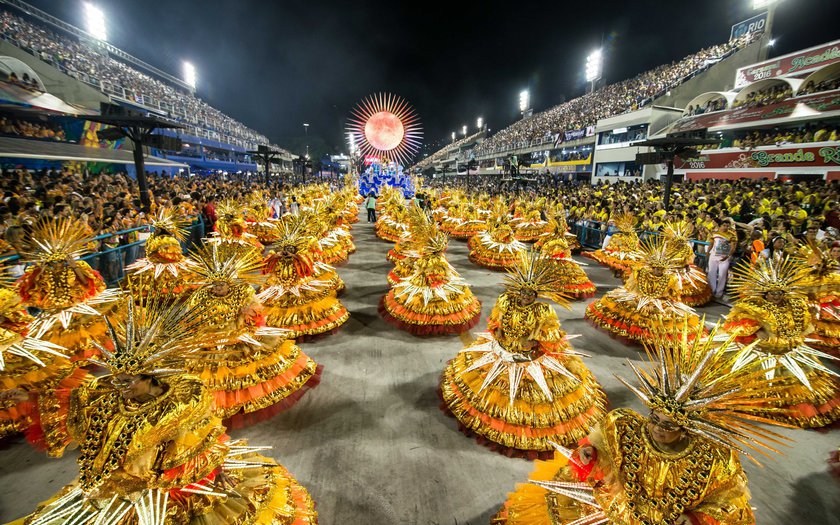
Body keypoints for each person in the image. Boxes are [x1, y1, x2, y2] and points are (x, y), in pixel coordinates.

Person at [12, 297, 318, 525]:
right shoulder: (113, 397)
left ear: (150, 378)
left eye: (128, 381)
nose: (121, 387)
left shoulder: (184, 401)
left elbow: (196, 444)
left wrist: (213, 472)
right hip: (125, 489)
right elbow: (76, 400)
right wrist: (30, 395)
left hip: (178, 487)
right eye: (117, 380)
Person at [493, 323, 790, 525]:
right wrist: (589, 453)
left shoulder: (713, 459)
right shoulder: (624, 426)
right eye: (655, 419)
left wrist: (695, 517)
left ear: (687, 428)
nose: (658, 428)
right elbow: (599, 446)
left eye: (669, 426)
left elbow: (728, 499)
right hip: (613, 509)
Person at [440, 251, 606, 457]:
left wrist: (537, 340)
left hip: (529, 356)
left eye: (531, 293)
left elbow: (552, 333)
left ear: (536, 295)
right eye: (523, 292)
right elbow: (496, 320)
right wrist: (497, 329)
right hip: (502, 350)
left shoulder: (543, 311)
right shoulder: (506, 301)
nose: (526, 296)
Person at [185, 243, 321, 421]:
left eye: (221, 285)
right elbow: (193, 318)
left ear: (229, 283)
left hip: (241, 334)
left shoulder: (242, 292)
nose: (217, 288)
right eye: (214, 285)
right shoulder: (200, 297)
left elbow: (255, 312)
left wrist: (245, 321)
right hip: (212, 339)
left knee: (249, 364)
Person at [723, 256, 840, 428]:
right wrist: (761, 334)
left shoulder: (795, 306)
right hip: (764, 354)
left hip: (789, 351)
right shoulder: (753, 309)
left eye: (780, 293)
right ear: (765, 294)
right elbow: (747, 332)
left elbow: (803, 328)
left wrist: (812, 316)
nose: (776, 296)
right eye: (772, 293)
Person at [586, 236, 700, 345]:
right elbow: (632, 287)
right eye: (656, 268)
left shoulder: (671, 279)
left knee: (663, 318)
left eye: (661, 269)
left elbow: (674, 295)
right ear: (651, 267)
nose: (658, 271)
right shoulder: (641, 273)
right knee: (627, 308)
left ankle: (648, 338)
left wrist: (666, 301)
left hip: (660, 301)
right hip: (639, 297)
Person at [380, 232, 481, 335]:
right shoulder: (439, 260)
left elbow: (421, 270)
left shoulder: (427, 260)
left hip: (426, 282)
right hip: (432, 282)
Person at [123, 207, 199, 300]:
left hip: (158, 265)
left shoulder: (155, 239)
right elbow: (177, 254)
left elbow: (151, 252)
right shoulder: (172, 239)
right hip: (171, 265)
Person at [706, 219, 738, 299]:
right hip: (713, 255)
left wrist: (727, 256)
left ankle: (719, 293)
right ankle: (712, 290)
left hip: (724, 257)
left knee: (722, 275)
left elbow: (733, 247)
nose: (725, 227)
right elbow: (711, 244)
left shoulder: (732, 235)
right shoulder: (715, 233)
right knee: (711, 273)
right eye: (724, 225)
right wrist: (708, 252)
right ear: (720, 226)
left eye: (727, 226)